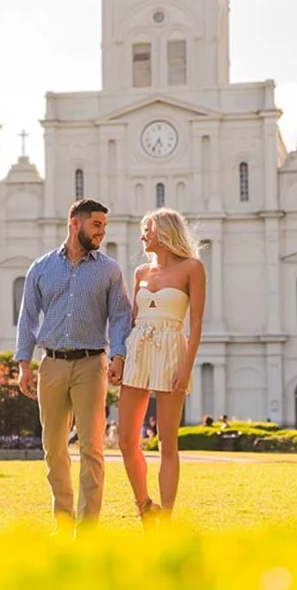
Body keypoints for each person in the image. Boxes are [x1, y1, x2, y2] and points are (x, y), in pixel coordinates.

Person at [15, 198, 133, 533]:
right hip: (51, 364)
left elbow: (121, 316)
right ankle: (63, 523)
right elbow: (28, 317)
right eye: (96, 225)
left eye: (104, 227)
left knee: (92, 446)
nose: (101, 233)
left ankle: (88, 529)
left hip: (91, 364)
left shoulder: (109, 270)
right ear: (74, 224)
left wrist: (119, 355)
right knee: (53, 447)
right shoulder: (41, 267)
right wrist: (24, 363)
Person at [117, 208, 205, 526]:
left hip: (172, 350)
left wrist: (186, 367)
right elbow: (131, 321)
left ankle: (166, 518)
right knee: (126, 439)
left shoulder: (192, 268)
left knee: (167, 442)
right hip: (138, 350)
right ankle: (144, 506)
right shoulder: (141, 272)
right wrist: (119, 358)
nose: (143, 236)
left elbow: (196, 325)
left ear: (165, 232)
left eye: (148, 229)